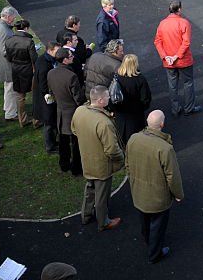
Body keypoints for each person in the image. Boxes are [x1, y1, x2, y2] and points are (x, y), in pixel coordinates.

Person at [126, 110, 184, 264]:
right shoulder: (165, 148)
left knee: (144, 219)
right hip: (158, 196)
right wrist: (178, 194)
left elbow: (128, 163)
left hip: (138, 191)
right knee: (158, 226)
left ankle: (147, 240)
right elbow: (172, 176)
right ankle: (155, 253)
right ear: (162, 124)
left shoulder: (133, 138)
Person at [71, 85, 125, 232]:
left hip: (86, 160)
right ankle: (103, 222)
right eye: (107, 97)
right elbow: (112, 149)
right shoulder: (104, 122)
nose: (109, 98)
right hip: (101, 164)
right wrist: (122, 159)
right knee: (102, 195)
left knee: (90, 188)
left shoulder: (80, 111)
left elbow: (74, 130)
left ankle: (86, 215)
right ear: (101, 100)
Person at [154, 1, 201, 117]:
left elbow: (157, 42)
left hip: (168, 61)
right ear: (179, 9)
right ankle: (189, 107)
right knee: (188, 83)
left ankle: (175, 109)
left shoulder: (162, 23)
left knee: (172, 85)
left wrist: (165, 56)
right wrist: (176, 56)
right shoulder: (184, 23)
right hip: (183, 60)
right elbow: (186, 43)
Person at [50, 47, 85, 175]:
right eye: (70, 56)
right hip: (73, 113)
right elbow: (78, 98)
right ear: (65, 60)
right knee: (76, 143)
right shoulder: (71, 76)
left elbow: (51, 92)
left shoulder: (51, 73)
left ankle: (64, 164)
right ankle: (77, 168)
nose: (73, 57)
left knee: (63, 141)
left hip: (60, 111)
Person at [112, 53, 153, 147]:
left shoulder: (117, 78)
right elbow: (146, 99)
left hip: (121, 116)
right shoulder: (140, 79)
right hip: (136, 116)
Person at [4, 19, 37, 127]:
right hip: (28, 70)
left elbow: (8, 57)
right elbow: (34, 58)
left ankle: (22, 120)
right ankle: (36, 120)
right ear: (26, 28)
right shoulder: (28, 42)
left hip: (16, 70)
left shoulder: (9, 40)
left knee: (19, 96)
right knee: (35, 95)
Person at [34, 42, 61, 154]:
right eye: (57, 51)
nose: (59, 53)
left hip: (45, 98)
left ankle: (53, 142)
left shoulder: (45, 60)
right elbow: (43, 85)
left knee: (52, 121)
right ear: (50, 50)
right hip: (46, 100)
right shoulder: (45, 65)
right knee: (49, 123)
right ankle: (50, 146)